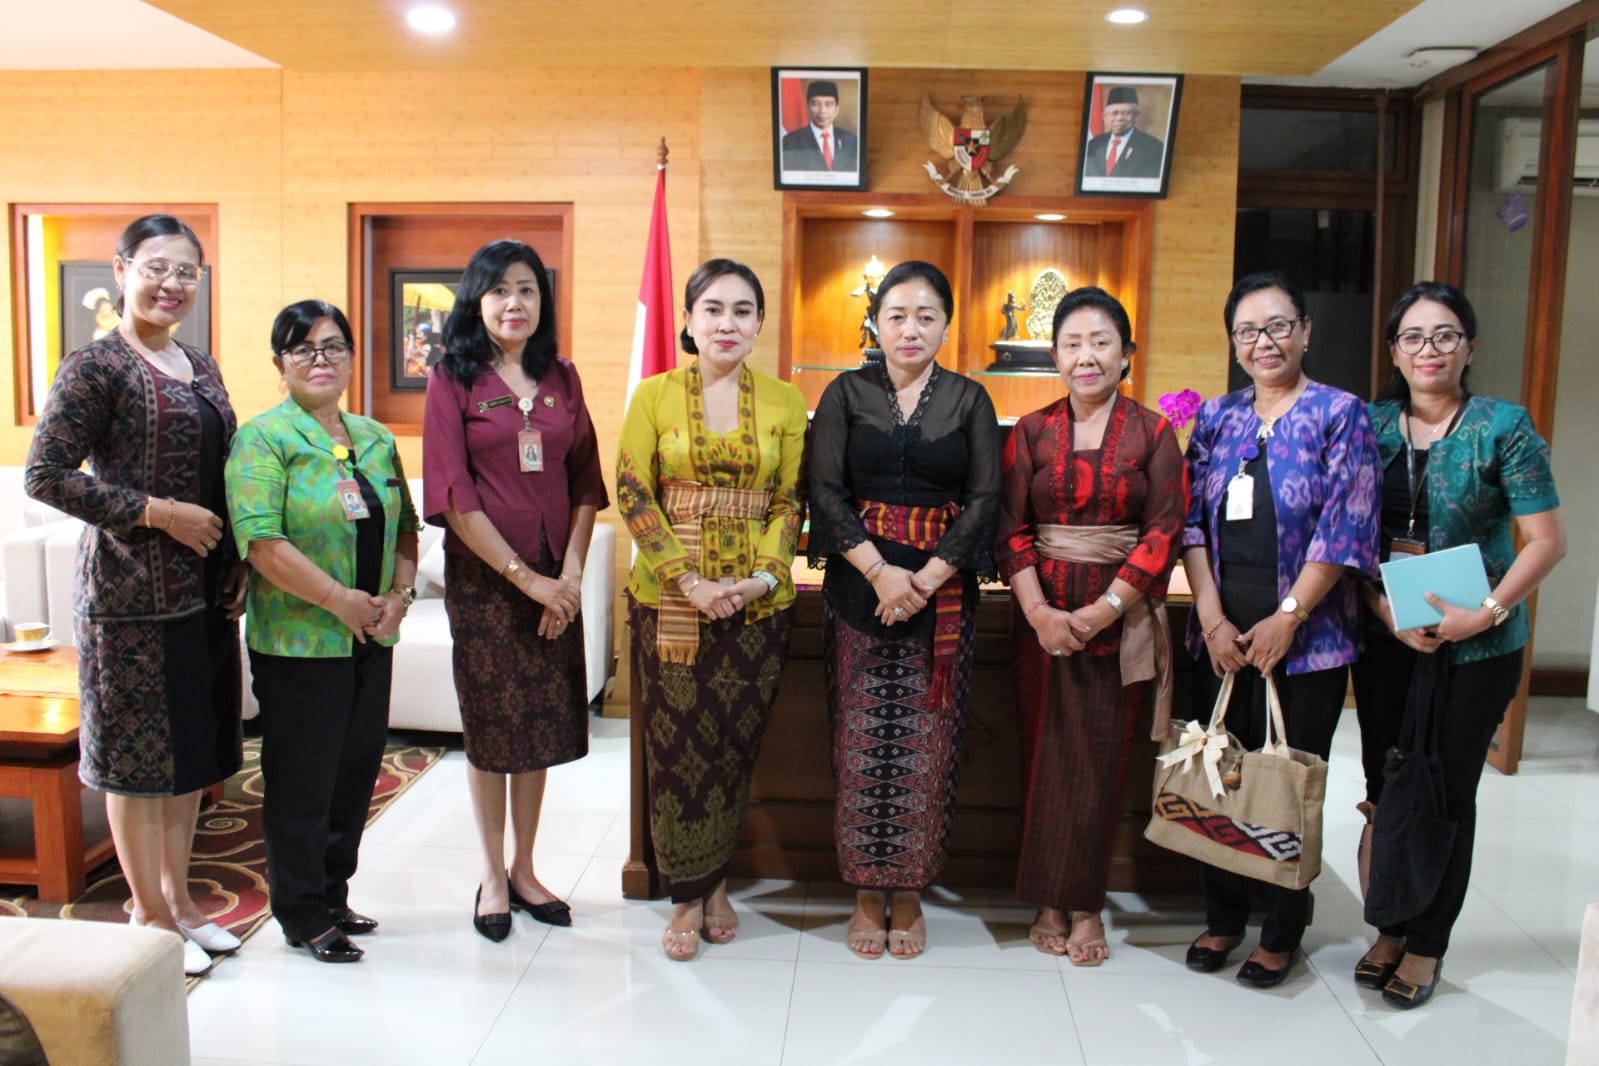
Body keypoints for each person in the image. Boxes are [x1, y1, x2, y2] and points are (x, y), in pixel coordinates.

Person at [25, 214, 244, 978]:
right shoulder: (96, 367)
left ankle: (182, 903)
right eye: (156, 268)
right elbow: (45, 474)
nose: (172, 284)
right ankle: (146, 913)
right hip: (128, 600)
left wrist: (235, 559)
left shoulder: (202, 365)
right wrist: (156, 512)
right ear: (120, 271)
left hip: (204, 598)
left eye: (187, 272)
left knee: (188, 760)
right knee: (135, 765)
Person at [1350, 283, 1565, 1009]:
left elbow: (1545, 541)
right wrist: (1380, 611)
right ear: (1392, 352)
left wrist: (1489, 610)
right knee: (1386, 784)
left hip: (1477, 644)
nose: (1428, 350)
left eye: (1444, 335)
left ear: (1468, 346)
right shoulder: (1370, 426)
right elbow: (1350, 536)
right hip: (1388, 637)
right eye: (1412, 337)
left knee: (1444, 791)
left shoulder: (1502, 427)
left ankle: (1426, 942)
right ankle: (1387, 922)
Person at [1181, 271, 1380, 988]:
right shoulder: (1217, 417)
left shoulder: (1339, 414)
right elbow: (1191, 525)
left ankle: (1280, 929)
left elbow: (1344, 527)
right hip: (1220, 637)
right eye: (1246, 331)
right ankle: (1224, 916)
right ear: (1233, 343)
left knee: (1286, 784)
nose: (1262, 342)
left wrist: (1287, 619)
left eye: (1276, 326)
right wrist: (1209, 617)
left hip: (1307, 642)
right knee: (1219, 776)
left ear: (1303, 331)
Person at [809, 260, 1001, 960]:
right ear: (875, 324)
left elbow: (984, 500)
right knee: (859, 744)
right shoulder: (844, 393)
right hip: (859, 589)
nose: (910, 328)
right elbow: (825, 490)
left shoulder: (970, 400)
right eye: (897, 315)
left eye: (925, 316)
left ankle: (911, 890)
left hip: (942, 597)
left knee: (929, 744)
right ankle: (865, 891)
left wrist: (925, 578)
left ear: (946, 325)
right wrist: (882, 572)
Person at [616, 258, 808, 962]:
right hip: (671, 603)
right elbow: (633, 493)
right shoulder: (653, 396)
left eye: (742, 310)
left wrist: (760, 578)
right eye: (713, 309)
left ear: (759, 322)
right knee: (675, 751)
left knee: (731, 748)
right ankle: (689, 894)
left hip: (757, 608)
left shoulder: (786, 403)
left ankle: (716, 878)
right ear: (689, 322)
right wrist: (688, 581)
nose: (727, 323)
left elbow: (792, 501)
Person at [226, 300, 422, 964]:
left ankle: (335, 893)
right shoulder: (263, 438)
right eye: (303, 348)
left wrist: (398, 597)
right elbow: (260, 541)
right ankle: (300, 911)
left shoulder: (374, 436)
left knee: (355, 772)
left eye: (333, 346)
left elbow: (407, 529)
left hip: (371, 639)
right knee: (302, 780)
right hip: (300, 643)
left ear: (350, 356)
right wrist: (339, 600)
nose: (320, 359)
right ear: (279, 361)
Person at [423, 239, 608, 943]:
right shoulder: (453, 379)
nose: (514, 303)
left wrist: (567, 576)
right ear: (476, 300)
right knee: (492, 730)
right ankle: (491, 876)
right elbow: (451, 490)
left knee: (538, 730)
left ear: (543, 301)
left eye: (527, 290)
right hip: (489, 584)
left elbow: (587, 482)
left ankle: (527, 869)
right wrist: (525, 579)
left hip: (553, 581)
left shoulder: (562, 376)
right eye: (499, 290)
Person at [995, 286, 1186, 965]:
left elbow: (1164, 530)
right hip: (1039, 620)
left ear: (1126, 354)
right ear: (1054, 355)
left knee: (1099, 764)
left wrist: (1104, 609)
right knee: (1043, 758)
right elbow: (1009, 532)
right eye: (1072, 343)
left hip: (1118, 618)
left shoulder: (1153, 431)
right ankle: (1048, 898)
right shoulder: (1028, 432)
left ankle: (1085, 905)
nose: (1086, 356)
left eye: (1100, 341)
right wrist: (1042, 613)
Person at [1082, 86, 1165, 180]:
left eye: (1127, 113)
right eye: (1114, 113)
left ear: (1136, 116)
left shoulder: (1153, 147)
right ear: (1104, 116)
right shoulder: (1093, 144)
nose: (1120, 118)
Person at [780, 79, 859, 173]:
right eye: (816, 104)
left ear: (837, 109)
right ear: (807, 107)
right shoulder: (790, 142)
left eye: (829, 104)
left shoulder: (851, 141)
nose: (822, 111)